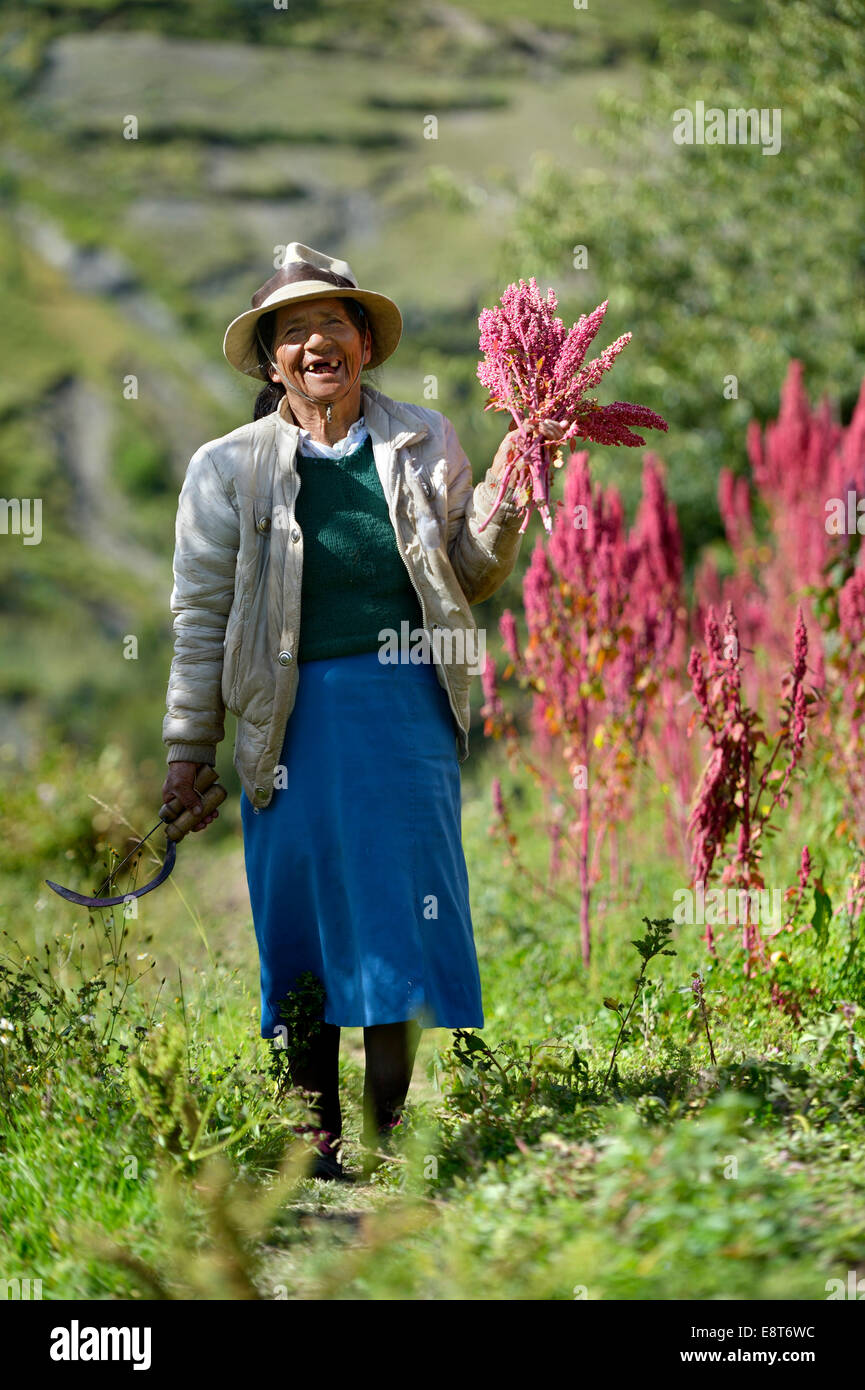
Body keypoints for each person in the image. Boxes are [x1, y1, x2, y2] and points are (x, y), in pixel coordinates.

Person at [161, 241, 564, 1180]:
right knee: (298, 919)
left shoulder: (423, 440)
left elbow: (469, 575)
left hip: (403, 715)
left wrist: (504, 494)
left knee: (397, 918)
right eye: (291, 333)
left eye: (331, 326)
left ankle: (387, 1137)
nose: (314, 345)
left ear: (365, 344)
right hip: (287, 722)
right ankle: (314, 1136)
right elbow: (199, 618)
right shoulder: (227, 468)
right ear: (270, 363)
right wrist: (189, 747)